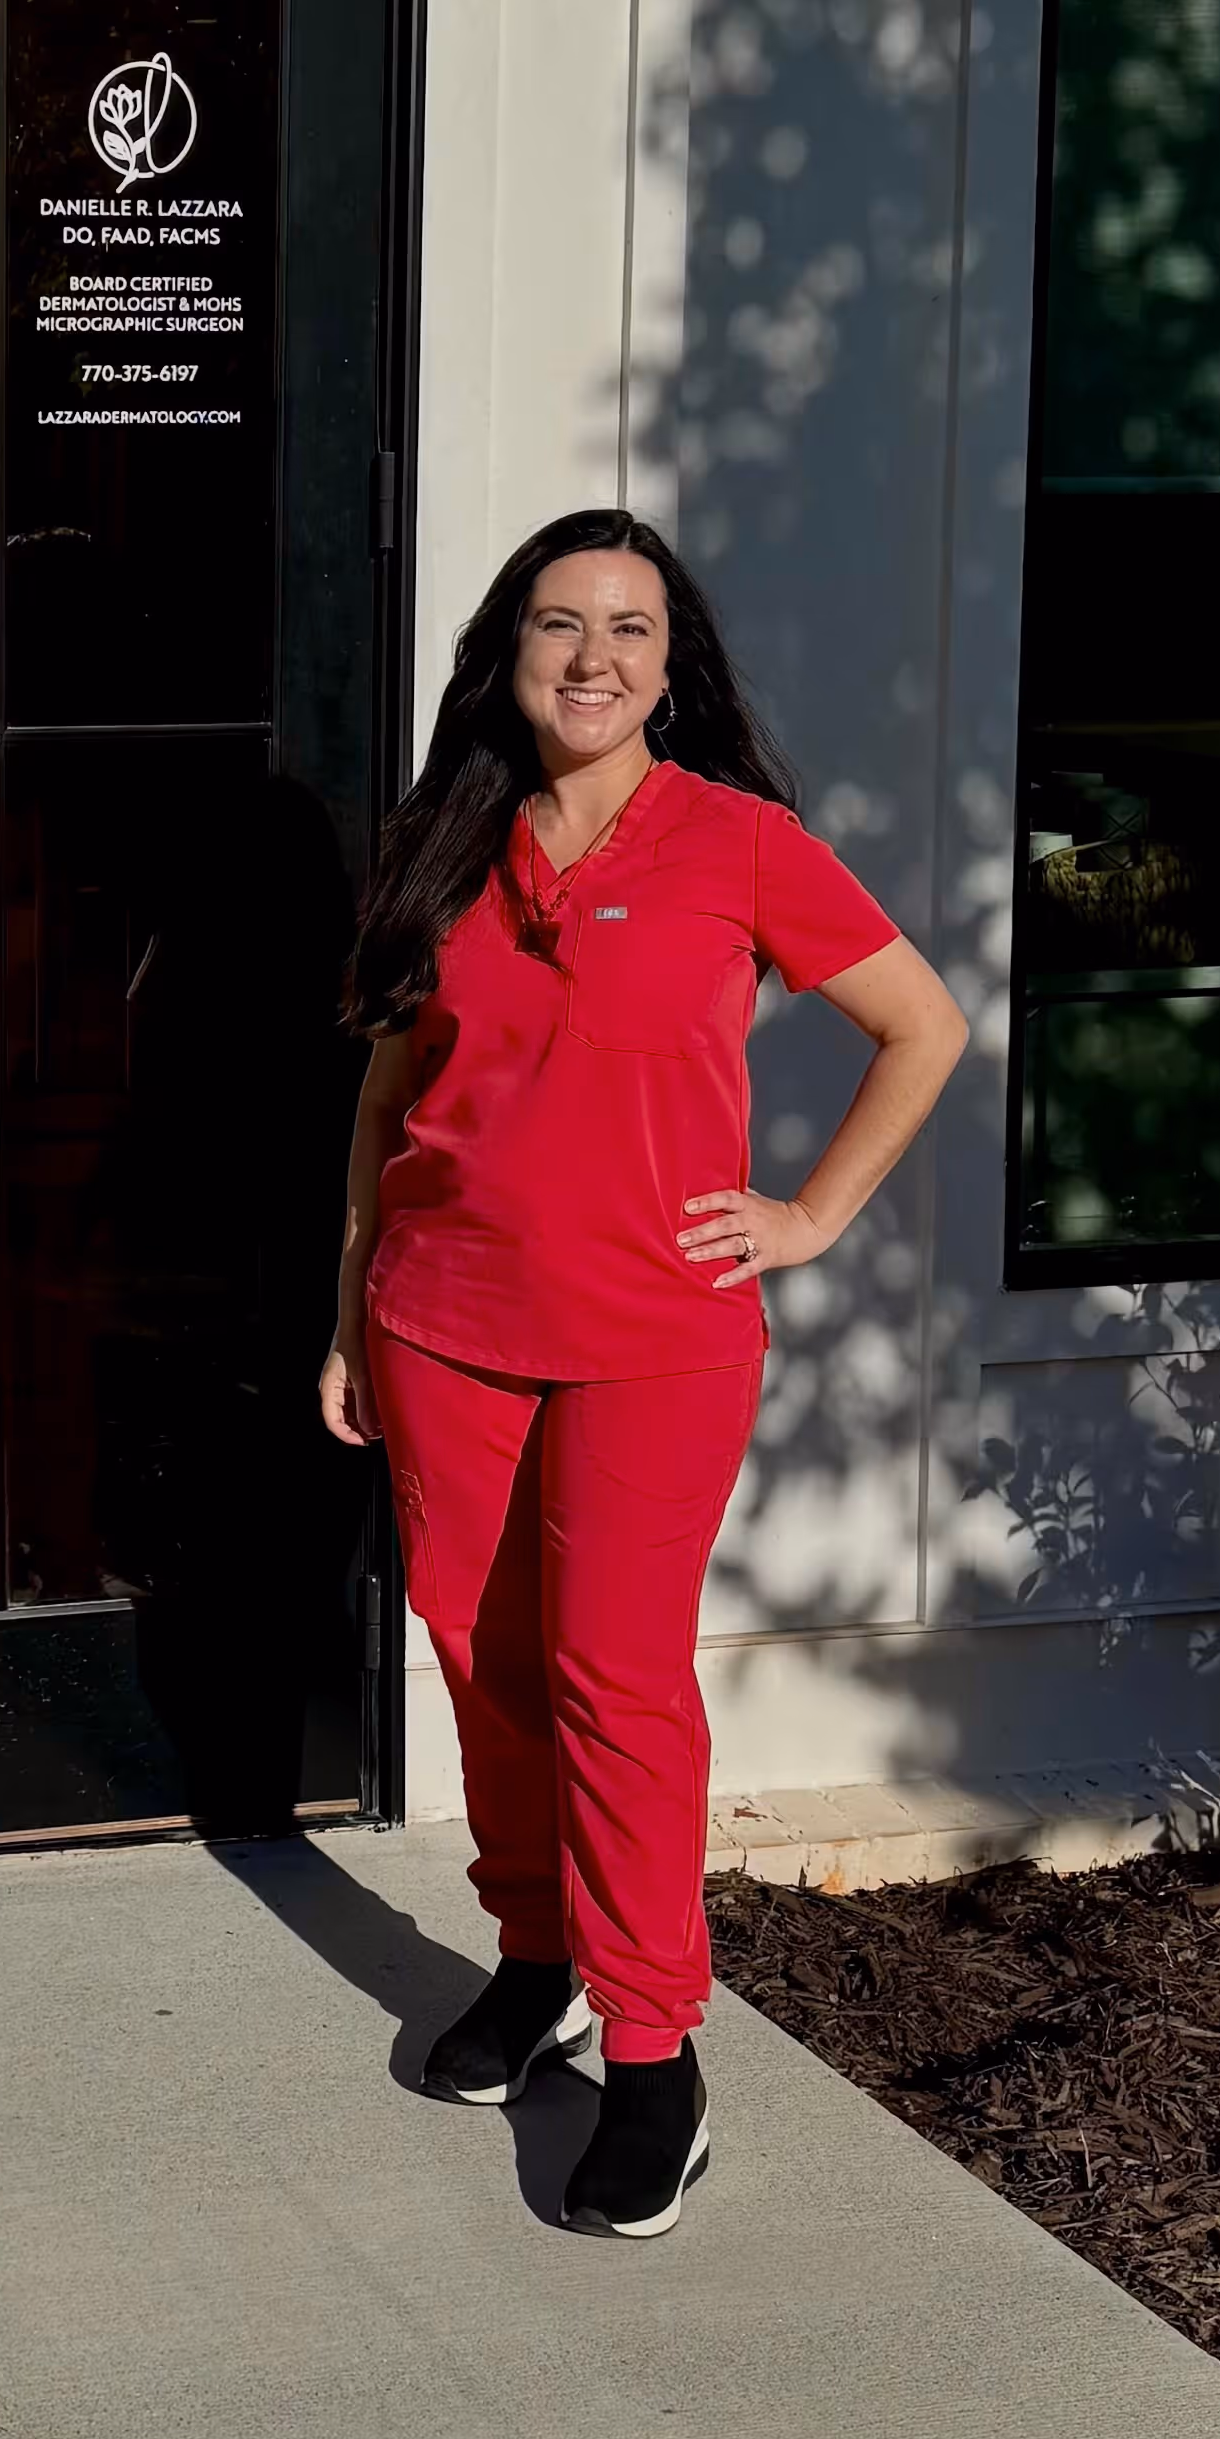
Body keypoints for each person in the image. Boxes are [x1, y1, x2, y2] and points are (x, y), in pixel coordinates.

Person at [314, 512, 965, 2241]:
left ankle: (658, 2050)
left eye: (628, 627)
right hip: (441, 1315)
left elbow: (926, 1025)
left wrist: (814, 1213)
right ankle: (540, 1957)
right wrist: (346, 1311)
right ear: (508, 654)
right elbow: (389, 1107)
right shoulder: (442, 840)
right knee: (480, 1651)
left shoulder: (739, 845)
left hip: (652, 1339)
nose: (592, 655)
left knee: (613, 1677)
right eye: (558, 622)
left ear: (675, 668)